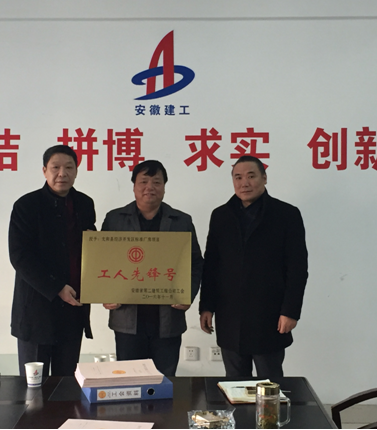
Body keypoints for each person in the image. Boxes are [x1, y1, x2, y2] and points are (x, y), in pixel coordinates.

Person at [199, 155, 308, 379]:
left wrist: (290, 311)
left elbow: (297, 268)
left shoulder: (286, 214)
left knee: (270, 383)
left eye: (251, 176)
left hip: (269, 315)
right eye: (238, 177)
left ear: (264, 178)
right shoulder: (220, 216)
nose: (244, 183)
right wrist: (206, 306)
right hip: (230, 316)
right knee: (234, 383)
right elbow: (211, 265)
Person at [101, 160, 203, 376]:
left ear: (164, 187)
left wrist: (188, 294)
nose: (150, 187)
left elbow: (195, 262)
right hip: (127, 318)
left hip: (168, 318)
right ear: (134, 186)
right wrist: (105, 294)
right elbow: (102, 261)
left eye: (156, 182)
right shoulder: (115, 219)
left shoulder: (181, 221)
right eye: (143, 181)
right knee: (130, 380)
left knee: (165, 382)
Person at [8, 145, 96, 376]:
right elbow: (20, 256)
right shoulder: (26, 205)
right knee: (33, 388)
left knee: (66, 385)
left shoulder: (85, 204)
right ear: (44, 170)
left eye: (69, 168)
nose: (62, 174)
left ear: (76, 171)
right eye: (55, 167)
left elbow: (93, 248)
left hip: (73, 310)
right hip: (36, 312)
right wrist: (56, 288)